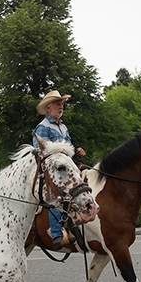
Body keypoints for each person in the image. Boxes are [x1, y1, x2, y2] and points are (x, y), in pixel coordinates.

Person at [33, 90, 86, 250]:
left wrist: (76, 151)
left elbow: (67, 149)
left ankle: (76, 222)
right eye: (57, 104)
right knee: (57, 196)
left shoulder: (63, 127)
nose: (61, 106)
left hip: (66, 168)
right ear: (48, 108)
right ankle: (56, 233)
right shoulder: (43, 127)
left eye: (62, 104)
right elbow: (39, 151)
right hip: (53, 172)